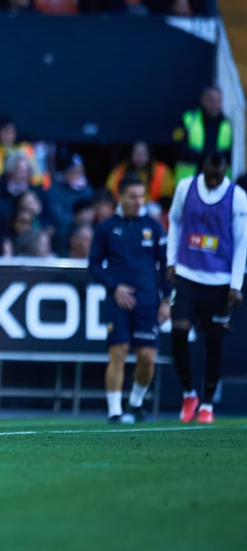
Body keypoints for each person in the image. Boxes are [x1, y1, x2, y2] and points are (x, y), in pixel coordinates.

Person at [165, 151, 247, 424]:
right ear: (202, 169)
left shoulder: (237, 196)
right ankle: (189, 393)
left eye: (218, 176)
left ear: (225, 170)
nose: (213, 180)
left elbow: (241, 243)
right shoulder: (185, 188)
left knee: (214, 343)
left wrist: (236, 285)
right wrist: (171, 261)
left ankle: (207, 403)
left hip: (219, 281)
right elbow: (174, 222)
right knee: (178, 334)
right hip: (187, 273)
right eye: (209, 175)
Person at [88, 176, 173, 423]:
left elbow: (166, 265)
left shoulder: (154, 227)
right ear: (120, 197)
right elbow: (93, 264)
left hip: (148, 302)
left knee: (147, 357)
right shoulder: (106, 227)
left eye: (141, 196)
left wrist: (167, 299)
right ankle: (114, 411)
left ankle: (135, 403)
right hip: (118, 302)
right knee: (119, 351)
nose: (139, 201)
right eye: (133, 196)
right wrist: (114, 288)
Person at [174, 86, 230, 183]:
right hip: (190, 178)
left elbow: (230, 153)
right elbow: (177, 147)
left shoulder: (228, 124)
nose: (214, 104)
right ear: (203, 100)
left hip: (218, 179)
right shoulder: (189, 119)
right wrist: (200, 157)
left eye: (218, 101)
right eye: (211, 100)